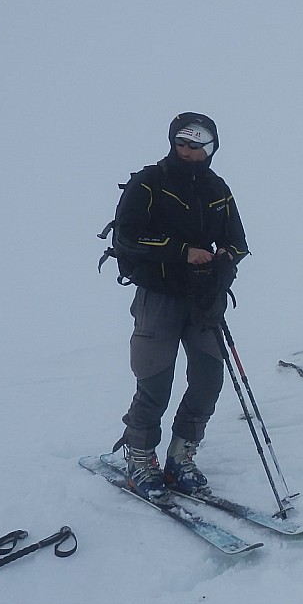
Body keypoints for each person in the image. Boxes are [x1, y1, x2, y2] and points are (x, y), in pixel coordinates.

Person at [111, 112, 249, 503]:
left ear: (210, 147)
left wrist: (224, 257)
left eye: (196, 144)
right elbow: (126, 238)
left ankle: (181, 454)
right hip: (158, 294)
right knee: (154, 379)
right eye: (181, 143)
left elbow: (239, 241)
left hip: (205, 299)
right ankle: (139, 454)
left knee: (208, 379)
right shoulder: (148, 183)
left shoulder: (218, 188)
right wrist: (183, 252)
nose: (187, 151)